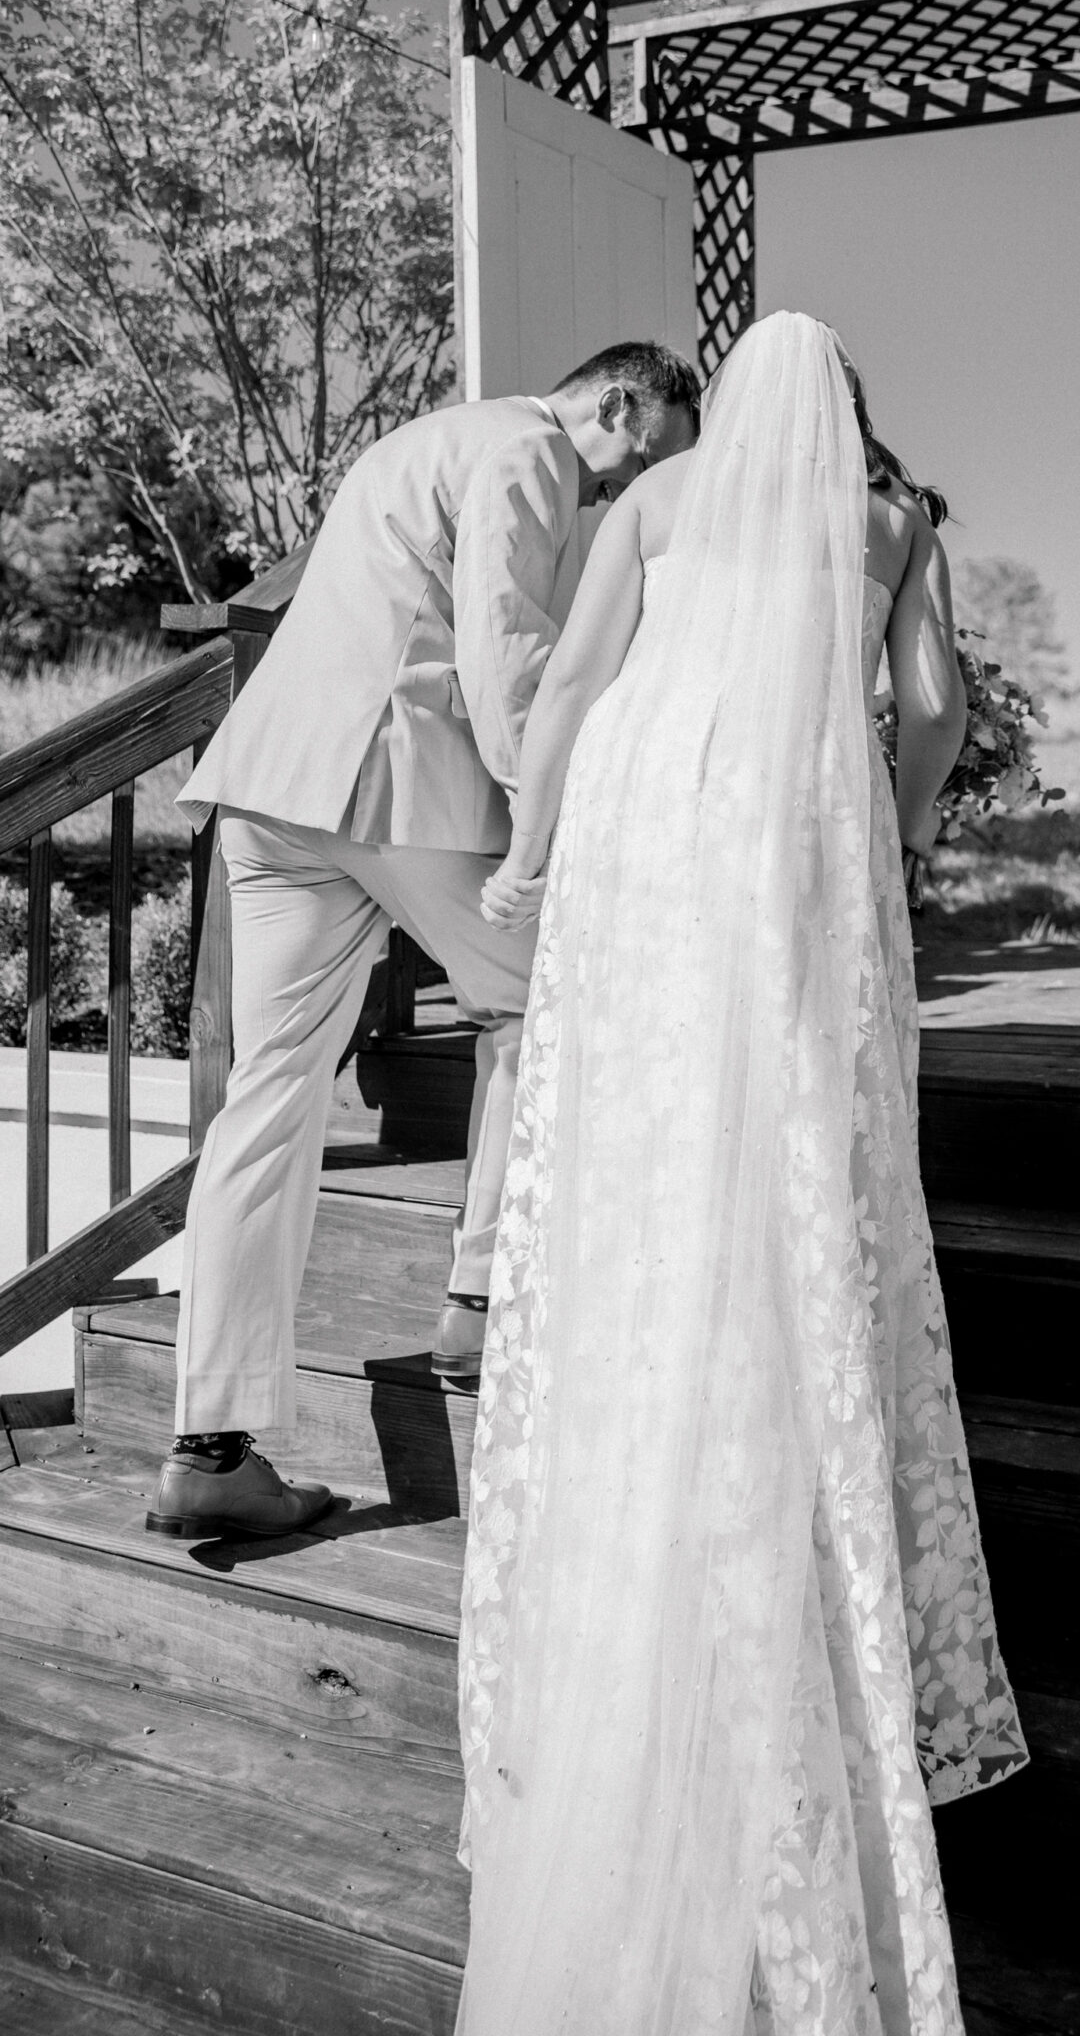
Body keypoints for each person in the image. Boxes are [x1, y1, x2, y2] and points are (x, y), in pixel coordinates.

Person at [456, 312, 1027, 2035]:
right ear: (845, 414)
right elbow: (933, 712)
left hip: (645, 826)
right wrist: (901, 827)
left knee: (641, 1168)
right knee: (791, 1166)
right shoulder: (896, 519)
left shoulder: (657, 501)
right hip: (783, 834)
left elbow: (569, 689)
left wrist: (528, 859)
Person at [145, 342, 700, 1543]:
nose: (613, 496)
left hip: (272, 789)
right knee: (541, 998)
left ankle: (210, 1446)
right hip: (390, 788)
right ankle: (479, 1303)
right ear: (618, 401)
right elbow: (507, 660)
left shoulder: (421, 440)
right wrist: (556, 817)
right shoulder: (529, 449)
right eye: (630, 465)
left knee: (267, 1100)